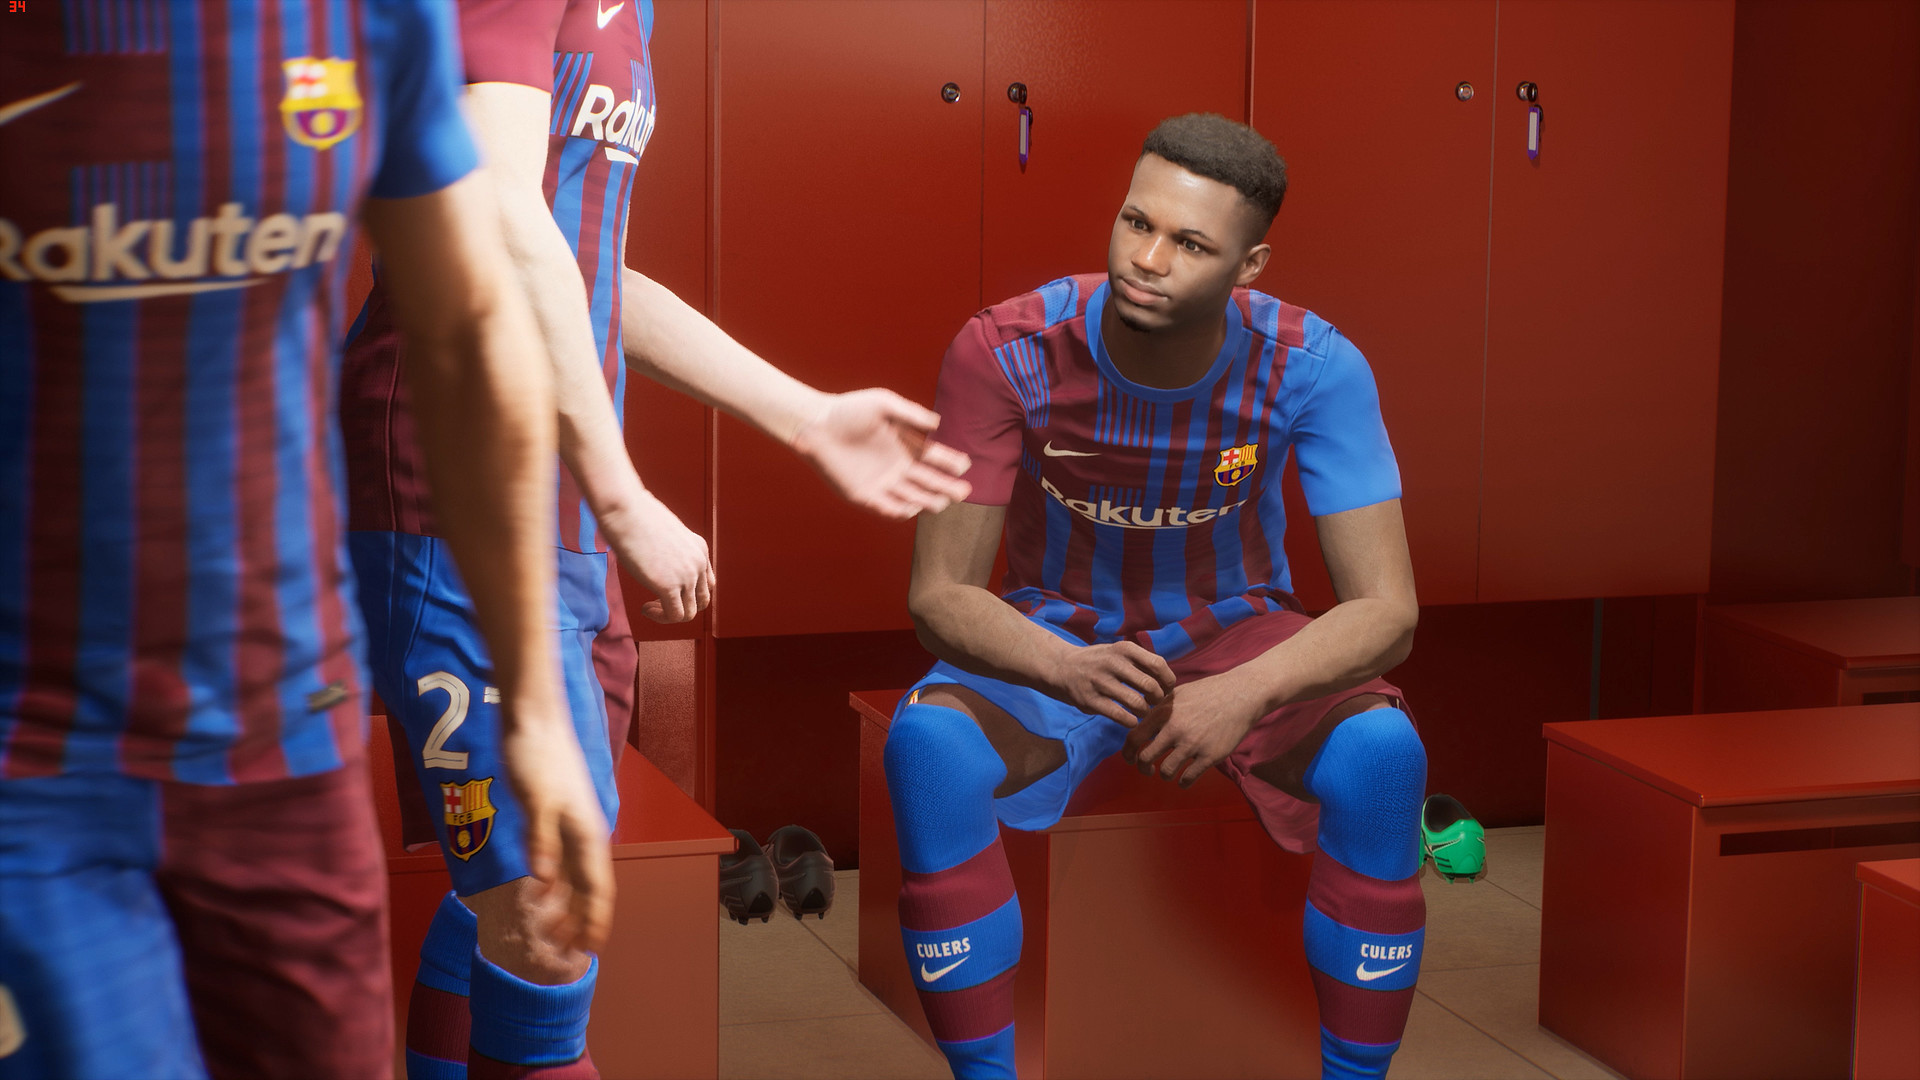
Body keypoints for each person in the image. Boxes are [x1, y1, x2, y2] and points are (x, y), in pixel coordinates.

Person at [340, 3, 972, 1077]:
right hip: (456, 486)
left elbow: (593, 271)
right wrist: (626, 494)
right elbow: (498, 215)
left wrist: (806, 415)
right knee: (544, 907)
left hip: (559, 500)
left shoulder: (632, 18)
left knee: (524, 889)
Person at [0, 2, 611, 1077]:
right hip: (33, 762)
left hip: (284, 736)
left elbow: (466, 337)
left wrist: (533, 705)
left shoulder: (370, 21)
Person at [892, 113, 1427, 1080]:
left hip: (1239, 631)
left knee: (1384, 757)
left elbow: (1388, 611)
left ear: (1249, 266)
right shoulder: (1008, 350)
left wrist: (1242, 694)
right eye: (1137, 222)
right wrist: (1063, 667)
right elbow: (938, 594)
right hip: (1058, 627)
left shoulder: (1312, 364)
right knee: (928, 748)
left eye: (1191, 244)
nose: (1147, 260)